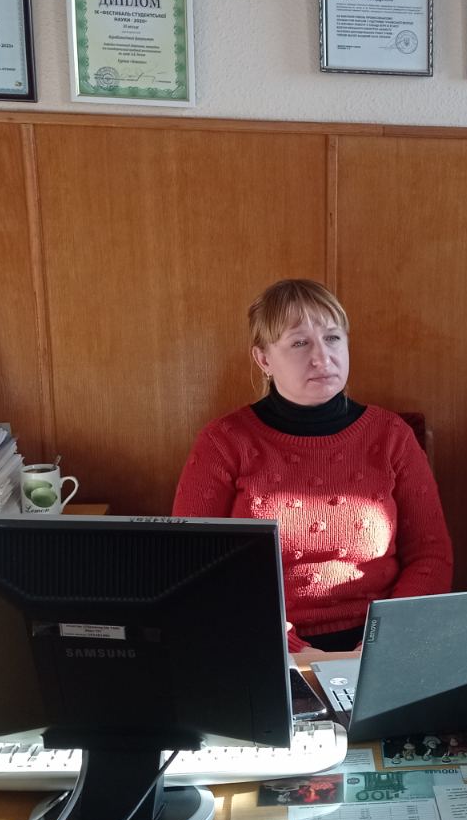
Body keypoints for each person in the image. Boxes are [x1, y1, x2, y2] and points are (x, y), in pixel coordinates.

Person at [173, 279, 452, 656]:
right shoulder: (223, 442)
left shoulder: (392, 435)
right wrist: (293, 650)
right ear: (264, 359)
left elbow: (430, 555)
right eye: (300, 343)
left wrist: (381, 643)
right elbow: (195, 566)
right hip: (260, 642)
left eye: (333, 338)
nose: (322, 357)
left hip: (383, 641)